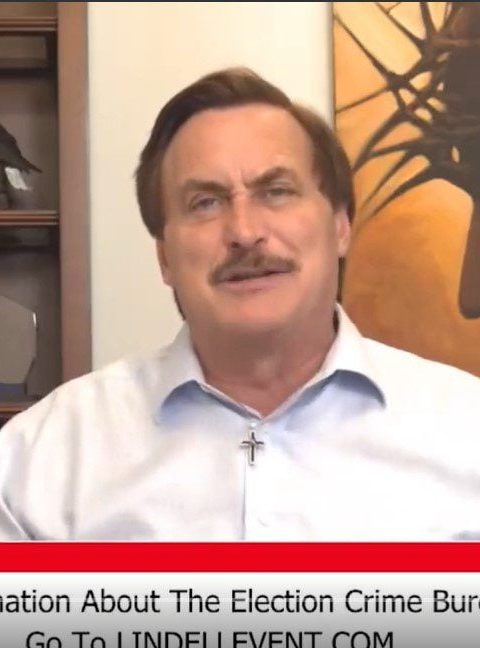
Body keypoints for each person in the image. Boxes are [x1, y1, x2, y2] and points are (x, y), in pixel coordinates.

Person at [1, 67, 480, 541]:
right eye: (205, 203)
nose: (245, 232)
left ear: (340, 226)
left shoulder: (465, 433)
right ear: (164, 257)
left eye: (276, 191)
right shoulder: (42, 461)